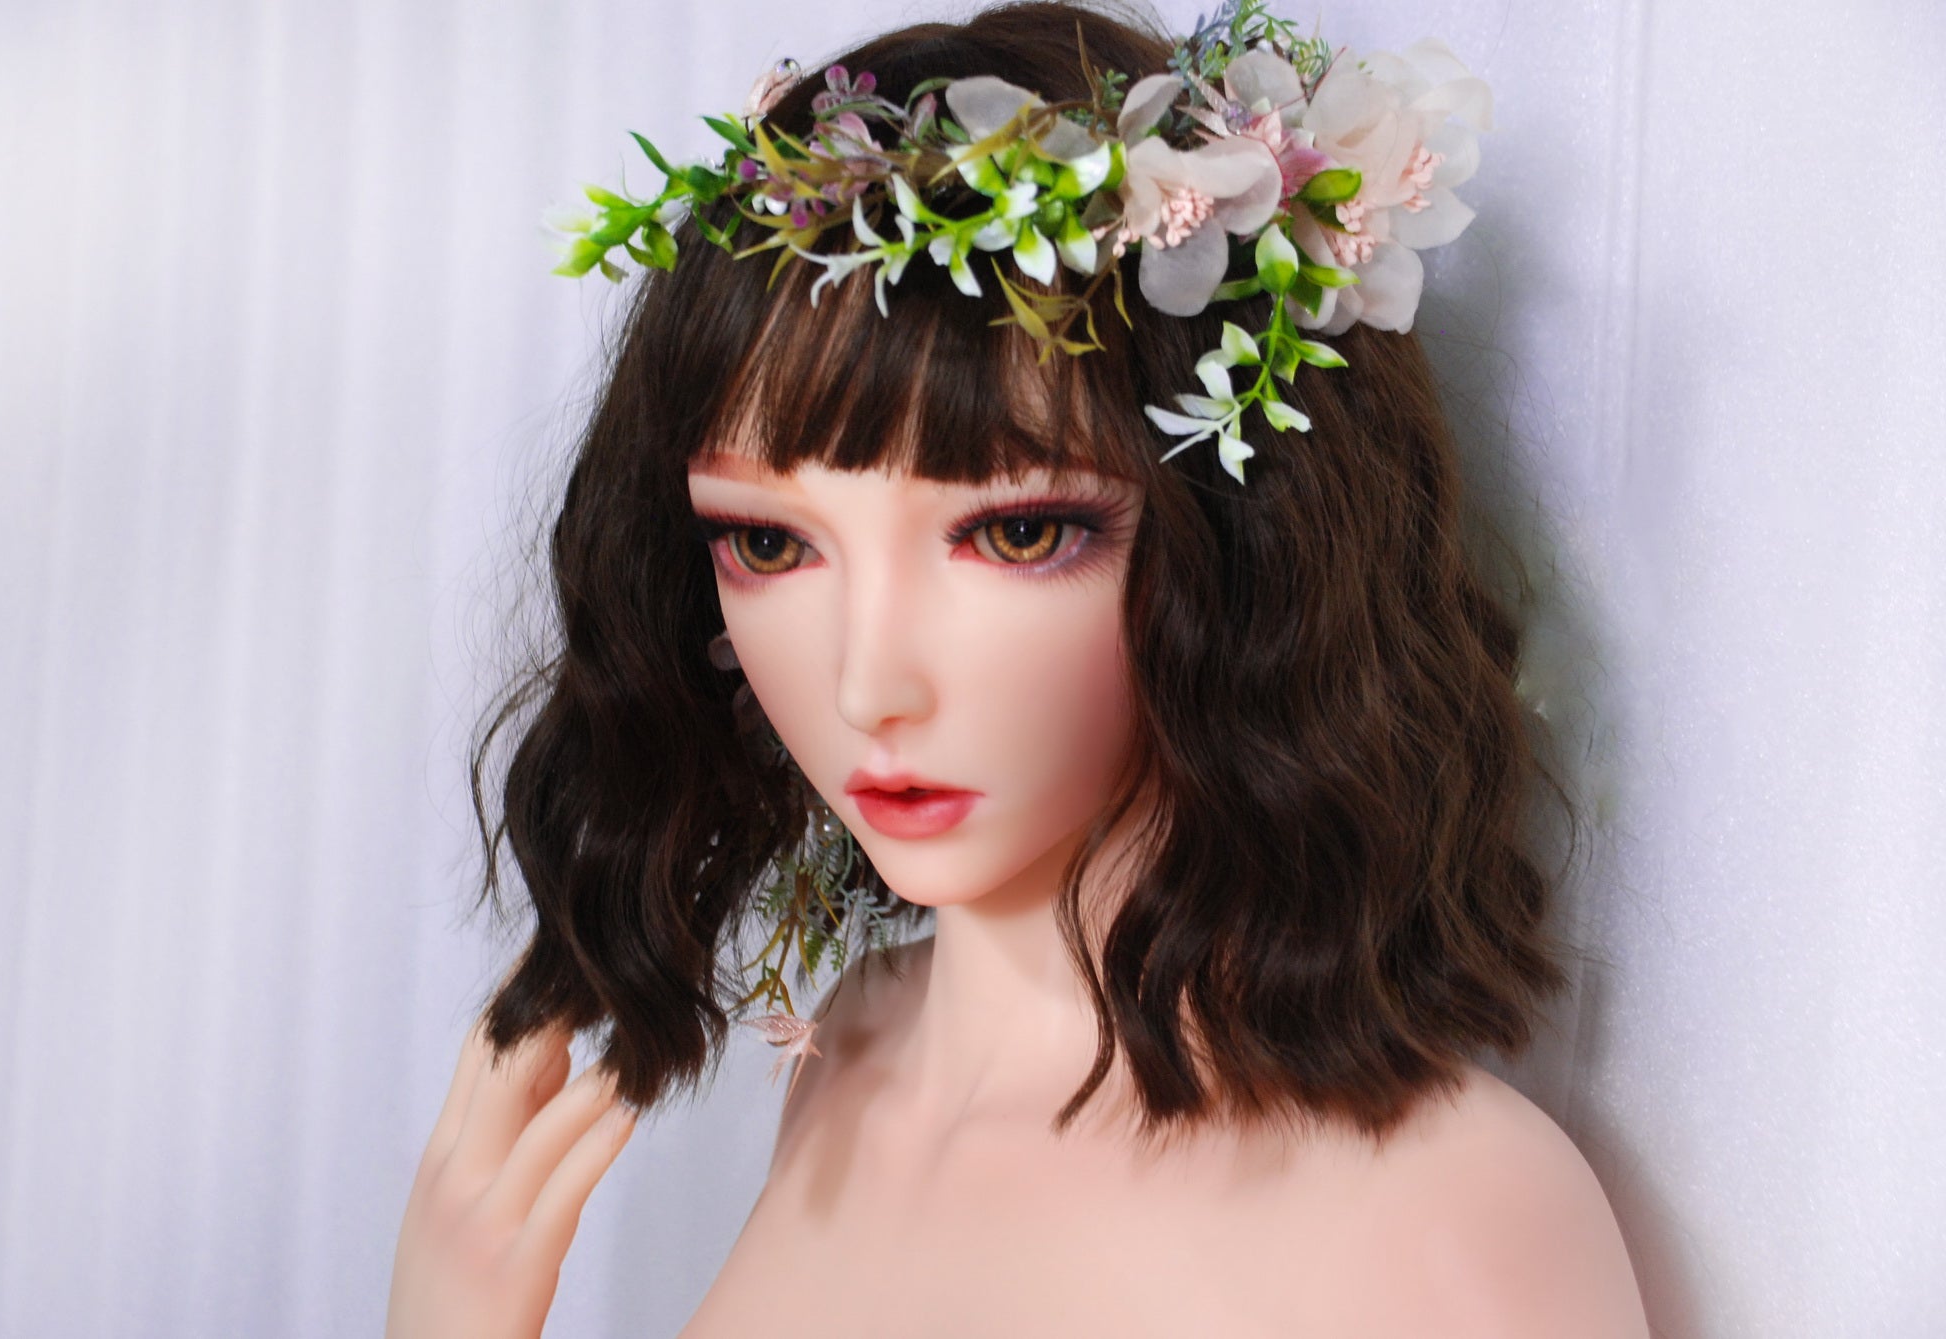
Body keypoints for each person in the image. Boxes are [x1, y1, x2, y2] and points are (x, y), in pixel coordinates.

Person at [387, 2, 1651, 1334]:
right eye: (769, 543)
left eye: (1018, 534)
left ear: (1247, 544)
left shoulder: (1444, 1219)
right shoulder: (853, 1047)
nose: (867, 687)